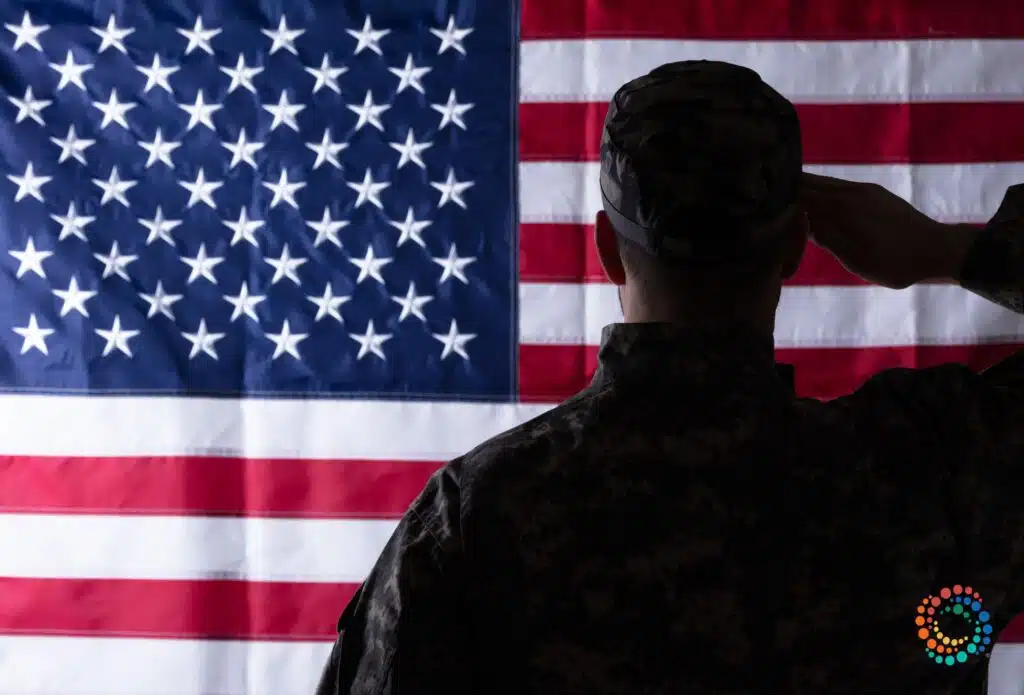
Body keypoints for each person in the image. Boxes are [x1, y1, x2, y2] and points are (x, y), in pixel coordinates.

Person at [314, 60, 1024, 694]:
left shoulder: (478, 520)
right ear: (794, 249)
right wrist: (953, 249)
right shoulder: (936, 471)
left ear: (604, 248)